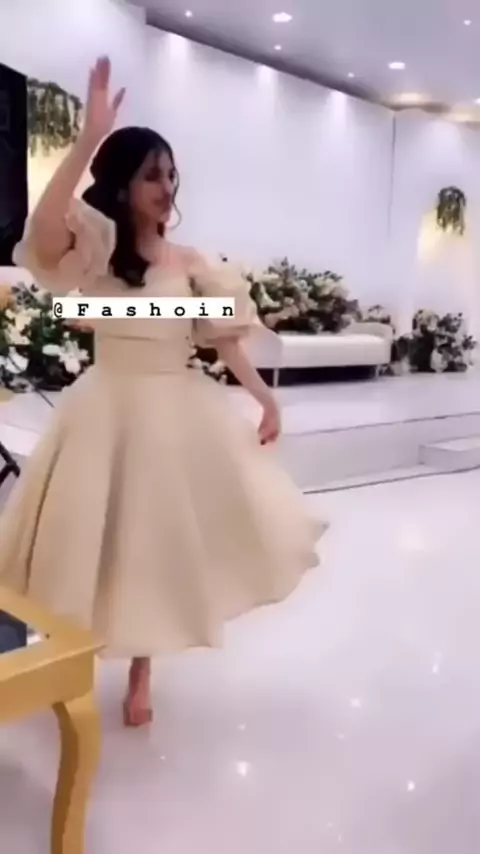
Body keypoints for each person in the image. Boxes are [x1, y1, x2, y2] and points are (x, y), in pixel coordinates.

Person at [0, 58, 326, 726]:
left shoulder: (193, 263)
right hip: (105, 405)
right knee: (90, 538)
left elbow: (224, 339)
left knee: (153, 539)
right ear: (121, 185)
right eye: (152, 174)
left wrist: (265, 398)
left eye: (171, 174)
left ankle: (142, 668)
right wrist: (88, 139)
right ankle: (73, 658)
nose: (167, 186)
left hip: (173, 408)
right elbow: (41, 233)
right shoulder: (95, 247)